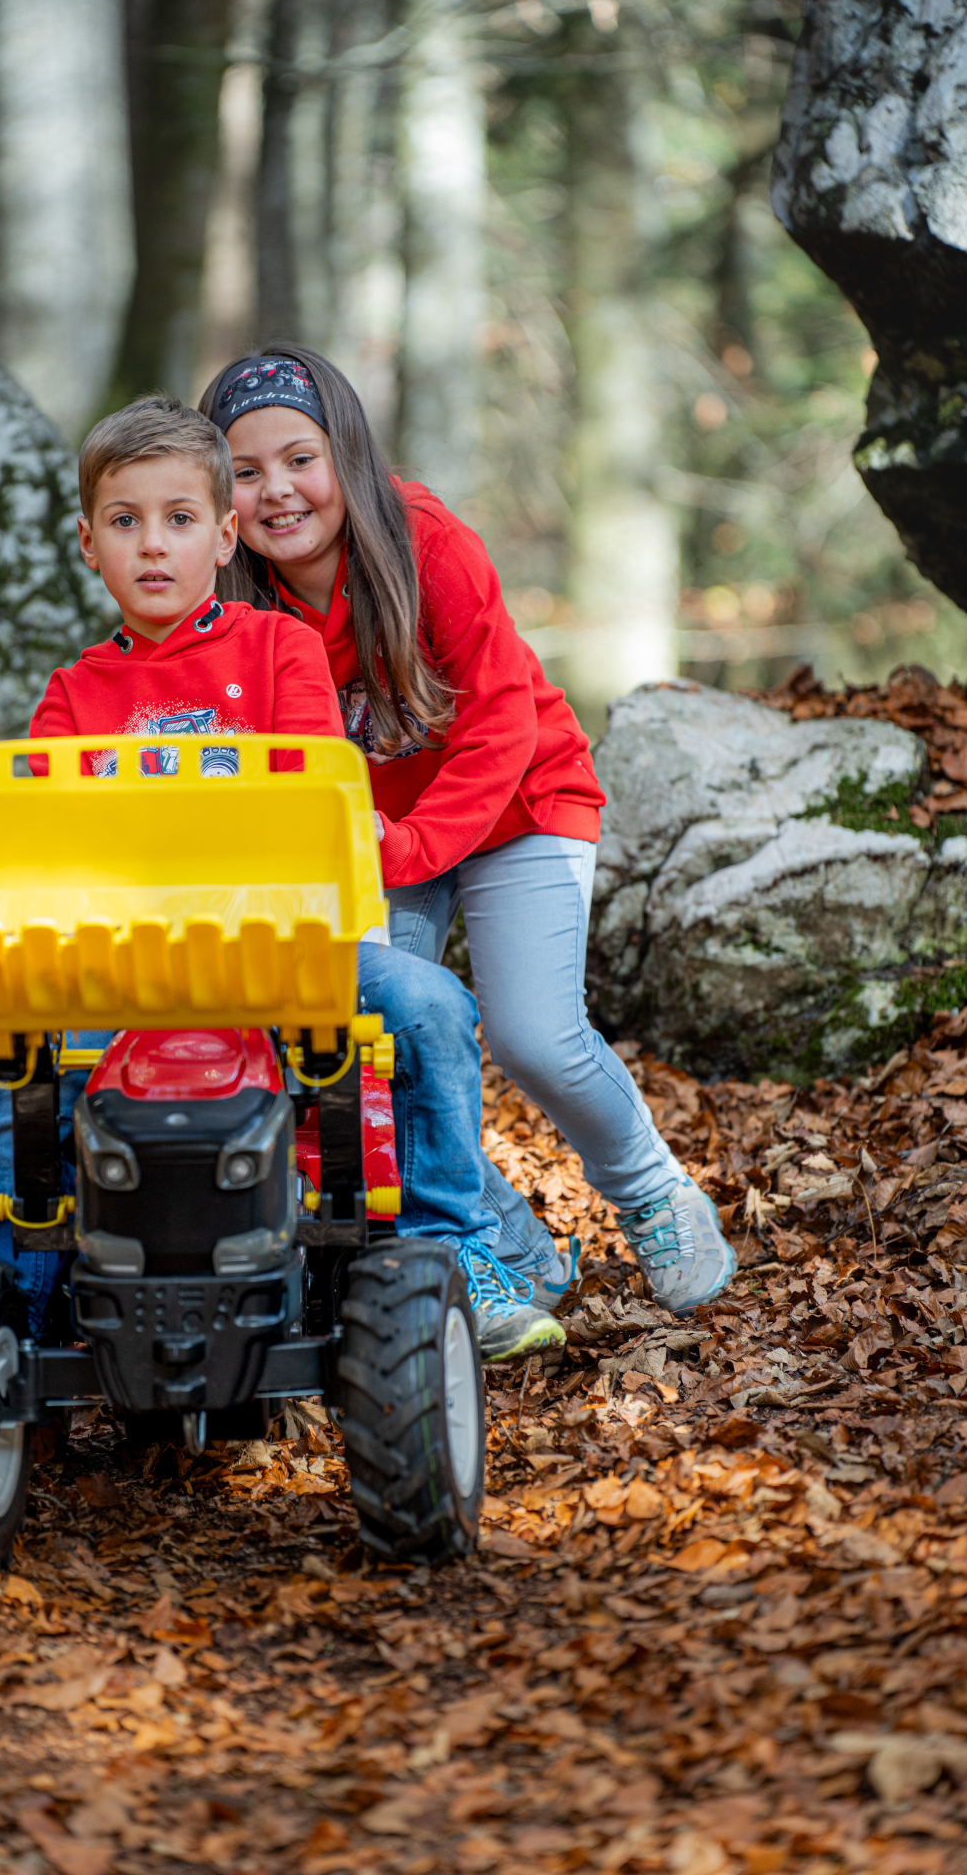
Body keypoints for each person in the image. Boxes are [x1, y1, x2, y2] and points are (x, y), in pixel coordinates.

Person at [0, 395, 566, 1363]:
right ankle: (2, 1322)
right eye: (124, 523)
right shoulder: (75, 694)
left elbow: (317, 796)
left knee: (430, 1005)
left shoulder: (276, 651)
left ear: (225, 534)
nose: (152, 547)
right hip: (121, 967)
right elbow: (40, 846)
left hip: (281, 950)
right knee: (21, 1078)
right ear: (87, 544)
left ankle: (454, 1245)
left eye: (179, 520)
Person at [199, 348, 736, 1317]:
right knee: (370, 1038)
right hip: (369, 839)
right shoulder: (239, 606)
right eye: (246, 470)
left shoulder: (423, 543)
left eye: (298, 458)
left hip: (519, 805)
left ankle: (653, 1189)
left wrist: (402, 851)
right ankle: (508, 1241)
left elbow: (498, 726)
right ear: (222, 495)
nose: (277, 490)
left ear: (346, 457)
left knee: (534, 1035)